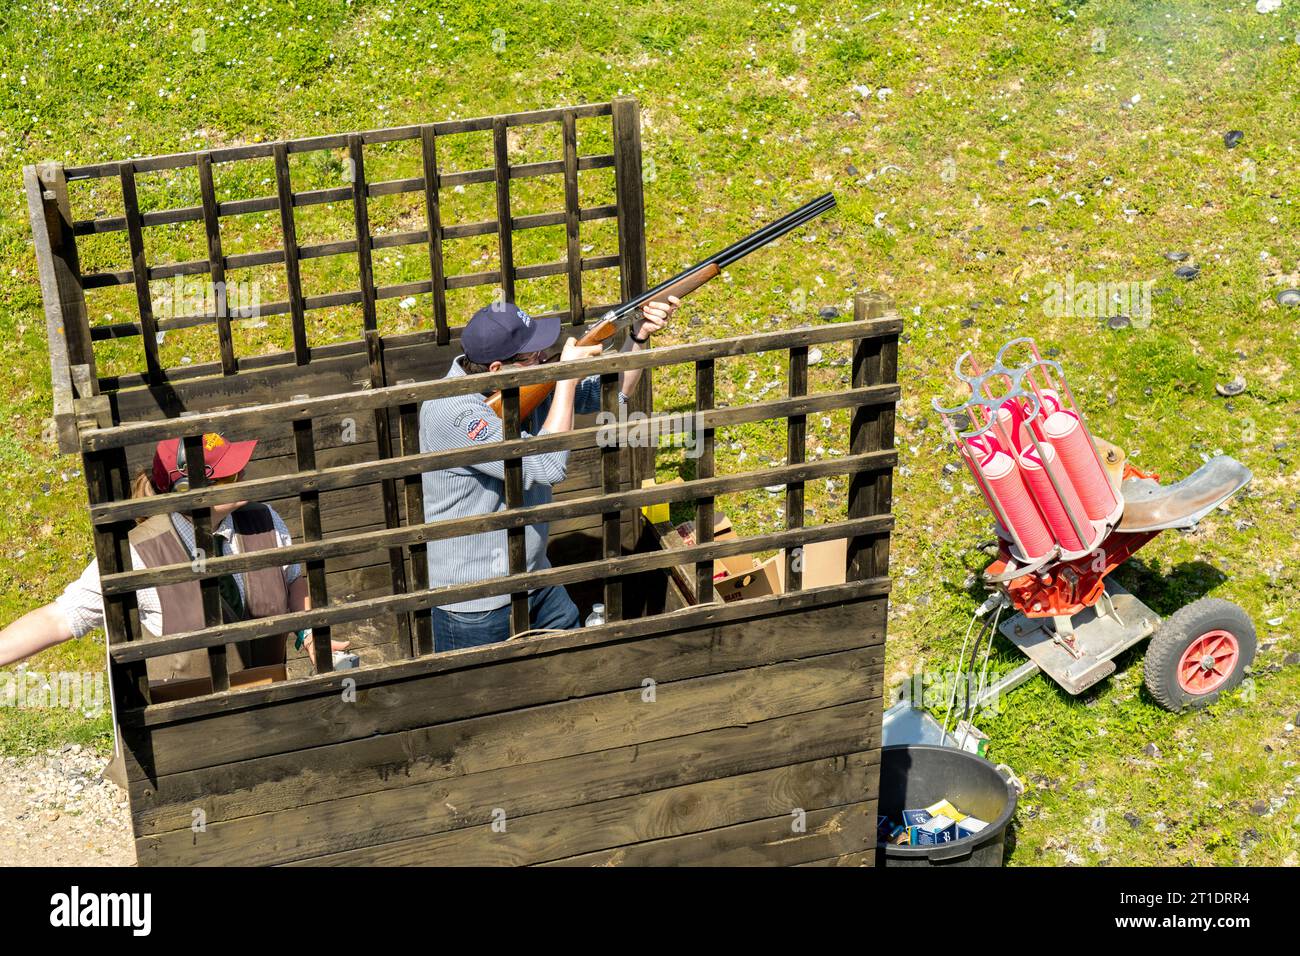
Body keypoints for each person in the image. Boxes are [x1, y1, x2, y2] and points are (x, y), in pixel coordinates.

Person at [419, 296, 678, 651]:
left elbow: (616, 388)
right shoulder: (450, 412)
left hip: (534, 576)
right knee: (478, 698)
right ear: (497, 369)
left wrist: (638, 335)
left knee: (571, 660)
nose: (545, 357)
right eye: (533, 355)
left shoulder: (522, 384)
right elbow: (547, 466)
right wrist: (565, 380)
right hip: (475, 600)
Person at [0, 432, 346, 690]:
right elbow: (61, 618)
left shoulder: (265, 519)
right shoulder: (138, 551)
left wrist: (309, 632)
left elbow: (291, 580)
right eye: (227, 475)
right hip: (186, 729)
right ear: (187, 491)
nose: (241, 477)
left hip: (272, 705)